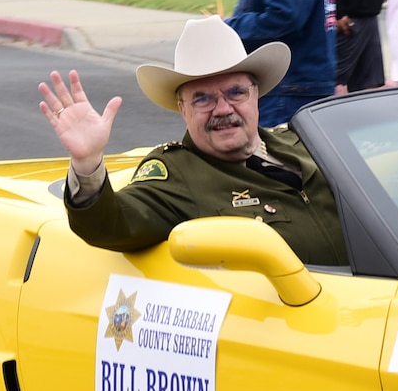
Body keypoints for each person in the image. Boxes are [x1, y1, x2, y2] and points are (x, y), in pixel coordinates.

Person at [37, 17, 349, 265]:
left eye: (236, 92)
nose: (223, 109)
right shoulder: (177, 174)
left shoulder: (305, 142)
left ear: (257, 95)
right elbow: (110, 225)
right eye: (202, 99)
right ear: (182, 110)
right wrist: (87, 162)